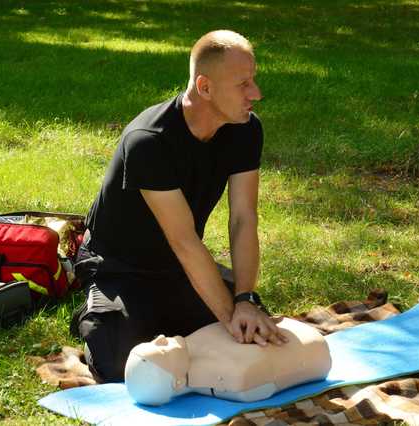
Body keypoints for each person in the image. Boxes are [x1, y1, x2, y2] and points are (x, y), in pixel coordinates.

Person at [71, 30, 288, 383]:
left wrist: (244, 300)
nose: (256, 94)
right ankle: (95, 310)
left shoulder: (245, 129)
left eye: (255, 80)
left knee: (255, 332)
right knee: (119, 368)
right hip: (121, 269)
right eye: (243, 84)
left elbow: (244, 220)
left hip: (179, 268)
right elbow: (184, 240)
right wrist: (228, 315)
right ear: (205, 87)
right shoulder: (150, 141)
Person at [124, 318, 332, 405]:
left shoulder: (192, 344)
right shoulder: (231, 377)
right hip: (311, 345)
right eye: (162, 350)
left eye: (153, 342)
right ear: (177, 383)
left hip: (298, 335)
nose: (161, 338)